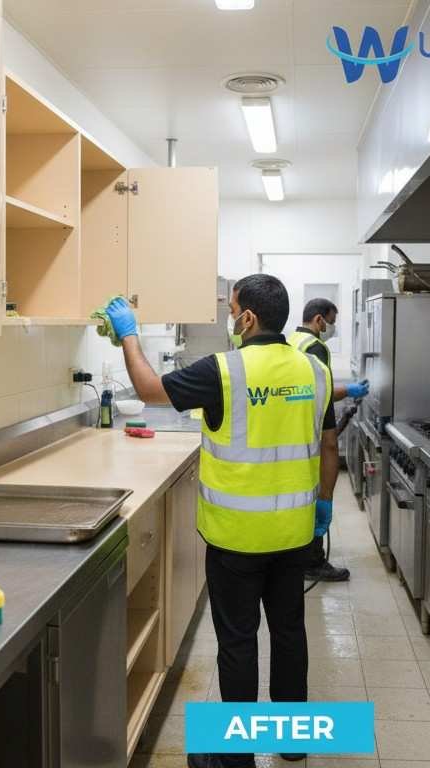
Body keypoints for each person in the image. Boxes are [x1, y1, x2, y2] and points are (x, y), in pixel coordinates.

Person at [104, 275, 337, 768]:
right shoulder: (315, 369)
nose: (229, 318)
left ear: (248, 317)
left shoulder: (225, 371)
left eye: (232, 309)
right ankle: (292, 742)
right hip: (294, 534)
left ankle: (235, 758)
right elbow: (327, 442)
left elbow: (148, 390)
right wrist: (325, 502)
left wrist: (129, 332)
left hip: (236, 539)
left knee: (238, 640)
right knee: (290, 633)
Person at [289, 297, 369, 583]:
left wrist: (348, 389)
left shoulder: (293, 341)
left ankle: (299, 558)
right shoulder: (316, 347)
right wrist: (349, 390)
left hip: (297, 428)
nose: (332, 329)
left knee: (301, 499)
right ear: (319, 320)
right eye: (332, 323)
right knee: (318, 497)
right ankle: (313, 562)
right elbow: (320, 393)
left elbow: (307, 388)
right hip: (315, 428)